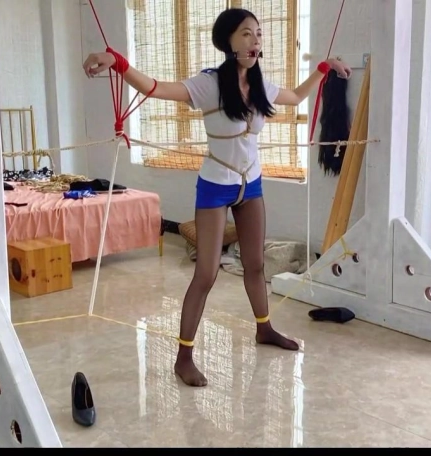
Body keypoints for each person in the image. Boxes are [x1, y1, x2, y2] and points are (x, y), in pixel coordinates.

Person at [83, 8, 351, 387]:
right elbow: (155, 88)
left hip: (251, 186)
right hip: (214, 185)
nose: (255, 40)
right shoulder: (209, 84)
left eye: (258, 34)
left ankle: (264, 328)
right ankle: (184, 357)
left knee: (255, 265)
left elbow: (294, 96)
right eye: (246, 33)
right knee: (206, 273)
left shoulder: (260, 84)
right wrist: (118, 62)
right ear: (228, 41)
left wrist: (324, 68)